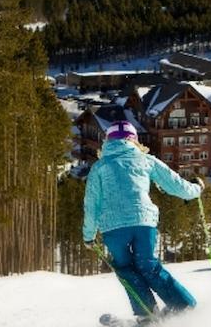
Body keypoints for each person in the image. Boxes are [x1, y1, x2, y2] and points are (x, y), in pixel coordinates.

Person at [83, 120, 203, 321]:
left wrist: (88, 235)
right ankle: (183, 305)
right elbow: (175, 184)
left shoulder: (100, 167)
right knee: (148, 265)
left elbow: (91, 203)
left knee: (125, 268)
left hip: (113, 228)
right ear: (134, 141)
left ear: (107, 142)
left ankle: (147, 315)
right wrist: (196, 190)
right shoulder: (145, 160)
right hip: (143, 222)